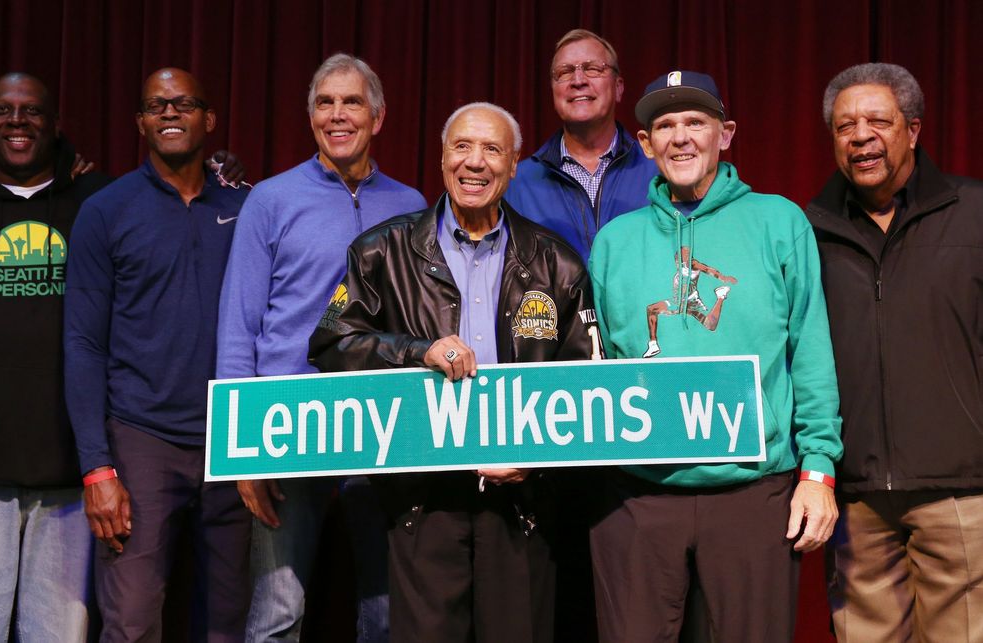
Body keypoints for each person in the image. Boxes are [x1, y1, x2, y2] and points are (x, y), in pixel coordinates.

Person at [309, 102, 600, 643]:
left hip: (522, 507)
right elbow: (332, 343)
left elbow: (588, 385)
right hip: (423, 500)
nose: (476, 162)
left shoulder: (557, 261)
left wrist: (536, 463)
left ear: (514, 166)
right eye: (462, 146)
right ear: (442, 159)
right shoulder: (381, 251)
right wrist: (416, 352)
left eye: (493, 150)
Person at [587, 70, 843, 642]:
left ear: (725, 134)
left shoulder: (780, 222)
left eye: (695, 123)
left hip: (753, 491)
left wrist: (819, 471)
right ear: (646, 143)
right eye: (665, 125)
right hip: (639, 496)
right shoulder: (614, 242)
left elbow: (811, 350)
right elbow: (595, 365)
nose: (681, 137)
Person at [218, 53, 426, 642]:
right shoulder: (271, 200)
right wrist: (243, 451)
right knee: (277, 615)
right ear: (310, 116)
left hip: (381, 422)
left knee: (387, 616)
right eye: (324, 103)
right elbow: (240, 324)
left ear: (378, 117)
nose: (338, 115)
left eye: (351, 102)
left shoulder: (411, 205)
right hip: (288, 424)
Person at [64, 67, 252, 641]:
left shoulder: (248, 208)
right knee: (132, 622)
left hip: (233, 438)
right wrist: (97, 465)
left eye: (184, 103)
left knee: (228, 620)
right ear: (141, 123)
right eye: (156, 106)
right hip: (141, 439)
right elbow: (82, 342)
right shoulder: (107, 210)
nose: (170, 113)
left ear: (209, 119)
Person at [806, 62, 983, 643]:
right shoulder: (807, 229)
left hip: (960, 491)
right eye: (844, 126)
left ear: (914, 129)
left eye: (878, 121)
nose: (860, 136)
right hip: (854, 500)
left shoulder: (974, 213)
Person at [0, 72, 111, 642]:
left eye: (31, 112)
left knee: (57, 636)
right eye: (4, 110)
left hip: (72, 473)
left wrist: (226, 176)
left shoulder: (96, 202)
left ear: (55, 125)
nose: (17, 121)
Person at [505, 28, 658, 263]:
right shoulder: (517, 183)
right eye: (564, 72)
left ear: (618, 87)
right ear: (553, 91)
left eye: (593, 69)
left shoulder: (659, 172)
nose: (578, 81)